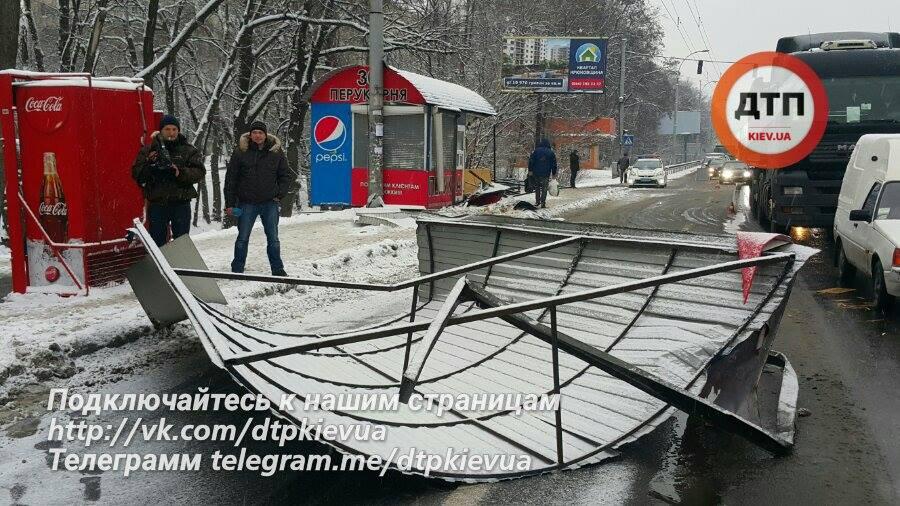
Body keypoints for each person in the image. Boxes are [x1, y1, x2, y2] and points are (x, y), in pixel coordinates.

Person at [224, 120, 290, 276]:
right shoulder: (241, 152)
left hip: (270, 202)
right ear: (250, 135)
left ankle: (277, 268)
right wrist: (230, 203)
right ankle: (237, 268)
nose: (258, 135)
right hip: (247, 202)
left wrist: (279, 194)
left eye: (260, 132)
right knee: (242, 237)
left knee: (273, 237)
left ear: (265, 135)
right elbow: (231, 179)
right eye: (254, 132)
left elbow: (285, 175)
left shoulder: (276, 151)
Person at [131, 114, 206, 247]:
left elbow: (199, 172)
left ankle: (180, 267)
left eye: (174, 129)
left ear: (178, 131)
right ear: (161, 130)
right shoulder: (149, 150)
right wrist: (150, 164)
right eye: (167, 129)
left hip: (181, 203)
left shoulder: (188, 150)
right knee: (157, 243)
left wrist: (180, 172)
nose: (171, 133)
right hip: (157, 203)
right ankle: (162, 268)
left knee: (182, 243)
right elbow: (137, 175)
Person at [528, 138, 558, 208]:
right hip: (546, 173)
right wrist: (554, 173)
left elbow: (531, 161)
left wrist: (530, 170)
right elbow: (554, 164)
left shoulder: (536, 151)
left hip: (536, 173)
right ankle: (543, 203)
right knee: (544, 188)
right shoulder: (551, 152)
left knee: (537, 187)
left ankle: (537, 201)